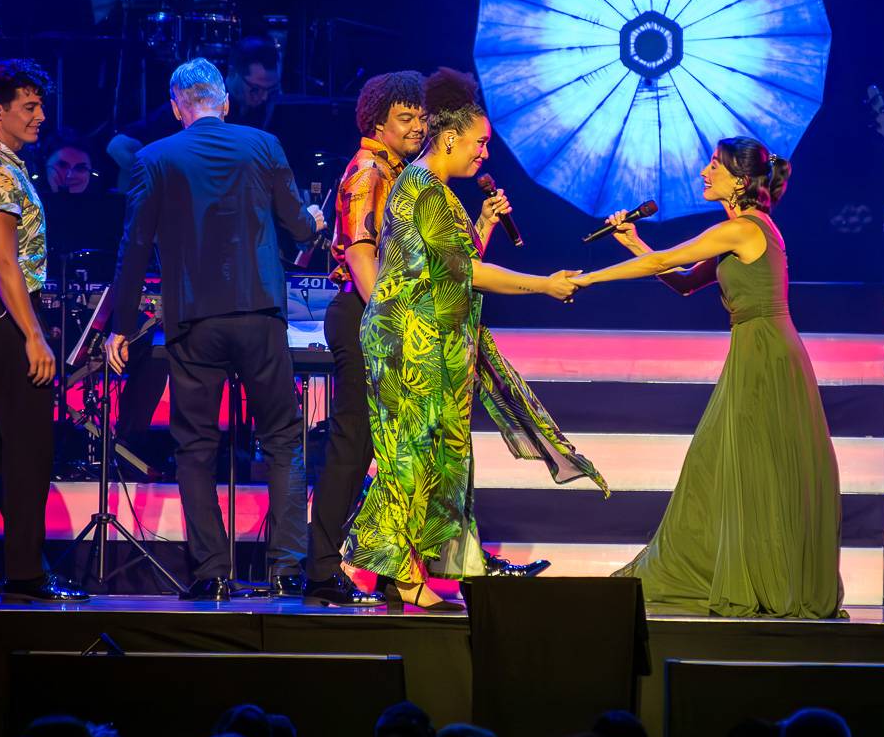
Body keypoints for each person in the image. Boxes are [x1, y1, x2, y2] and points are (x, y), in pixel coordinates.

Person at [344, 67, 604, 610]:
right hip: (410, 342)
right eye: (479, 143)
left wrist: (483, 224)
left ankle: (405, 567)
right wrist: (544, 285)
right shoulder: (425, 190)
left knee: (433, 457)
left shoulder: (431, 189)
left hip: (434, 340)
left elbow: (452, 268)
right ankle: (380, 566)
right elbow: (468, 273)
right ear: (448, 139)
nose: (485, 154)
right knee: (410, 456)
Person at [571, 137, 841, 618]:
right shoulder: (740, 231)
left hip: (766, 354)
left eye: (714, 164)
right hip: (755, 349)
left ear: (740, 180)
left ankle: (767, 579)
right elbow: (682, 281)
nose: (704, 171)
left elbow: (664, 262)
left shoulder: (744, 228)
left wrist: (587, 279)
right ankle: (748, 569)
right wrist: (633, 242)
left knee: (753, 465)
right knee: (721, 463)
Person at [105, 57, 325, 601]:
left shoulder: (154, 158)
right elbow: (298, 226)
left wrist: (120, 326)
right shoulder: (263, 145)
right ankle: (286, 569)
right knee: (282, 438)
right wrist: (314, 222)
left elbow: (133, 249)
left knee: (195, 447)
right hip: (259, 312)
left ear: (176, 106)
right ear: (224, 102)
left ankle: (212, 573)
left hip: (193, 319)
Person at [307, 71, 429, 607]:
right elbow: (360, 253)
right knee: (353, 445)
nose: (417, 126)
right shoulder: (368, 171)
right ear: (378, 123)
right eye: (405, 118)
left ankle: (388, 566)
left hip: (380, 312)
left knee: (388, 448)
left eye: (421, 117)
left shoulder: (400, 172)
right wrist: (387, 320)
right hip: (364, 313)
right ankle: (321, 568)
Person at [0, 59, 88, 603]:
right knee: (29, 448)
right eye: (29, 107)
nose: (41, 116)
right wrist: (32, 333)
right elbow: (4, 262)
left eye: (41, 105)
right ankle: (25, 574)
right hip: (5, 315)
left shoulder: (7, 165)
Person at [106, 37, 283, 188]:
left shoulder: (274, 112)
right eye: (255, 89)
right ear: (232, 73)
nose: (264, 97)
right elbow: (118, 145)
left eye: (271, 90)